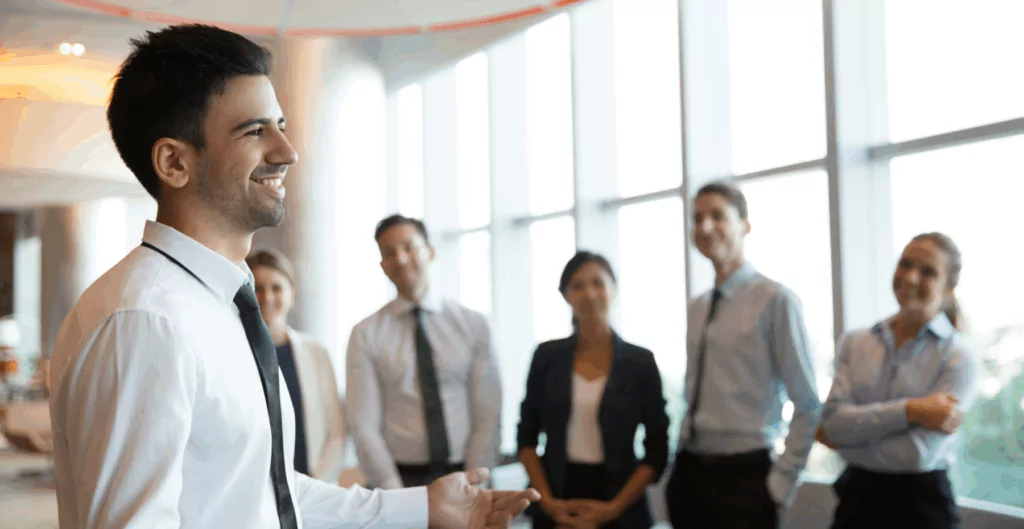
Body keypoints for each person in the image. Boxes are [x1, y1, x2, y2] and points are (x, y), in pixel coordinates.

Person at [47, 24, 537, 529]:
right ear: (174, 161)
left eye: (280, 124)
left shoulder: (218, 303)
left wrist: (423, 507)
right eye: (255, 131)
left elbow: (263, 489)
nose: (288, 151)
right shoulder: (146, 319)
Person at [664, 181, 822, 529]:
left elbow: (808, 403)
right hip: (690, 472)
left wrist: (779, 486)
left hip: (745, 477)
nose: (705, 227)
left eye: (718, 216)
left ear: (745, 225)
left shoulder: (776, 300)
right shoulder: (698, 307)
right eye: (697, 218)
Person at [816, 232, 979, 529]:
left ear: (948, 287)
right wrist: (911, 411)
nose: (911, 277)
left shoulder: (959, 355)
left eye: (928, 271)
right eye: (905, 264)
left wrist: (851, 441)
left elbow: (915, 456)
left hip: (923, 511)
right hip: (855, 505)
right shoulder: (855, 342)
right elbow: (832, 425)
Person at [347, 215, 503, 490]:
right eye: (389, 253)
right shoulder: (365, 334)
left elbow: (488, 413)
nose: (401, 259)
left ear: (430, 252)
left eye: (409, 247)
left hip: (466, 475)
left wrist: (475, 482)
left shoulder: (473, 325)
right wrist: (393, 492)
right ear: (382, 265)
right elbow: (363, 424)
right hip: (400, 479)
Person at [518, 251, 669, 529]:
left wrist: (613, 509)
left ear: (614, 289)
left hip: (620, 501)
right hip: (556, 495)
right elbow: (526, 437)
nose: (589, 293)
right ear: (565, 295)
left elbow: (657, 448)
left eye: (598, 283)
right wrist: (548, 503)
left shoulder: (640, 363)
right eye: (578, 285)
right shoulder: (546, 357)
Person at [246, 248, 348, 483]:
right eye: (257, 288)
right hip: (254, 491)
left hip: (311, 486)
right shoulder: (230, 354)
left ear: (291, 294)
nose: (267, 298)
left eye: (277, 288)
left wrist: (315, 482)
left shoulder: (316, 353)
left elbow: (336, 433)